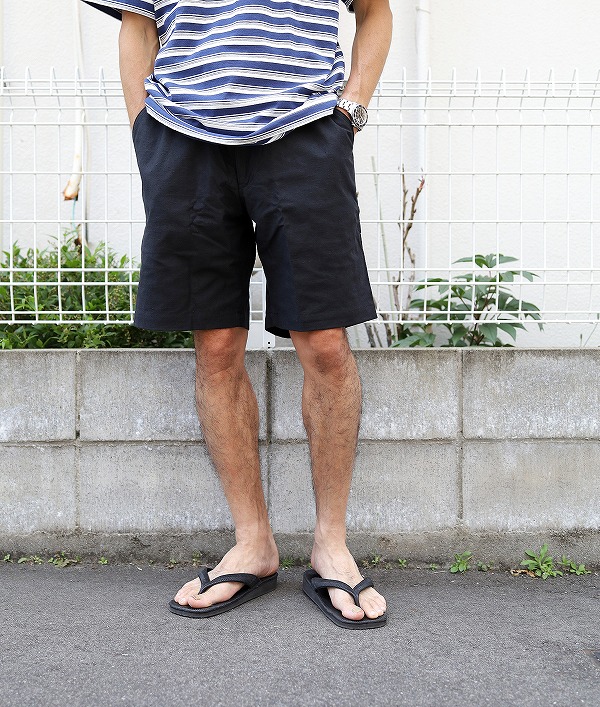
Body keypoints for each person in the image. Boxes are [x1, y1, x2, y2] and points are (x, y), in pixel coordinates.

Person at [83, 0, 392, 628]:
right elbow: (138, 23)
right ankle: (253, 544)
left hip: (306, 132)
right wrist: (145, 131)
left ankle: (331, 545)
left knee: (324, 343)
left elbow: (375, 11)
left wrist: (351, 111)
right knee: (217, 345)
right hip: (183, 139)